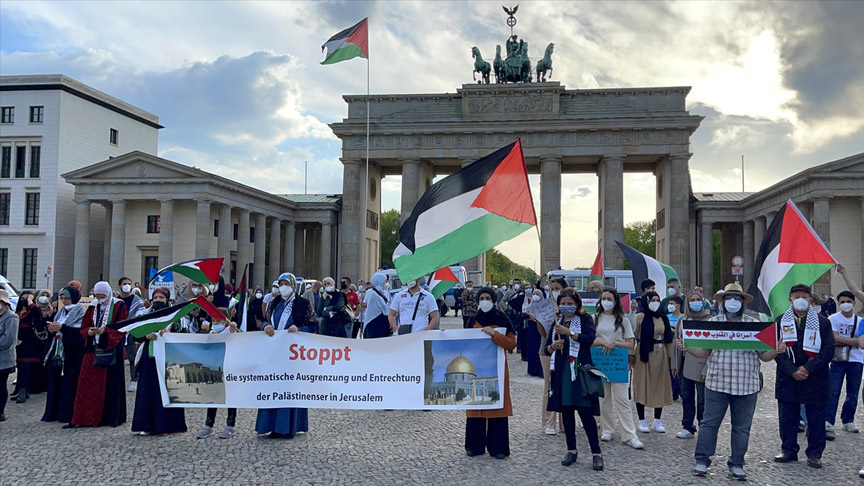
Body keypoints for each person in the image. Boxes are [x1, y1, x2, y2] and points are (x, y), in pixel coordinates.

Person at [682, 283, 783, 480]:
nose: (733, 302)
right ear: (723, 302)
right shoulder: (713, 323)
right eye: (729, 298)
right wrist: (689, 348)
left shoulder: (755, 326)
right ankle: (702, 460)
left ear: (743, 302)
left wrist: (776, 350)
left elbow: (764, 356)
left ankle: (737, 463)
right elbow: (704, 352)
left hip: (746, 385)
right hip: (717, 383)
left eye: (737, 299)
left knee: (741, 428)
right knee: (709, 424)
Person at [773, 283, 834, 469]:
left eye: (804, 296)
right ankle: (789, 449)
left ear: (810, 300)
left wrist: (808, 369)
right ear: (790, 299)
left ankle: (815, 453)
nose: (801, 300)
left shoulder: (823, 322)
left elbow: (828, 349)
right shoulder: (780, 321)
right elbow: (776, 350)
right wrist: (792, 370)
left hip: (815, 377)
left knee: (815, 417)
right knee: (787, 416)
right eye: (796, 296)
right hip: (788, 377)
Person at [543, 288, 603, 471]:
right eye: (563, 303)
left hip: (579, 372)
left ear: (577, 304)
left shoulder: (584, 319)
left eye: (570, 303)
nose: (566, 306)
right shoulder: (556, 322)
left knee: (586, 415)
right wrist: (553, 345)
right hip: (562, 373)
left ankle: (596, 453)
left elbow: (589, 339)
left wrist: (570, 333)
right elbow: (546, 348)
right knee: (566, 413)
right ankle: (571, 449)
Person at [257, 272, 317, 438]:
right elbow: (263, 320)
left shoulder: (303, 304)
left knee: (289, 388)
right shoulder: (274, 303)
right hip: (274, 353)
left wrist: (300, 329)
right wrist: (265, 326)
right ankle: (271, 425)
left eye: (286, 284)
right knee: (273, 387)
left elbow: (313, 325)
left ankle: (288, 426)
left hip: (293, 355)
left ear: (292, 285)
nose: (283, 287)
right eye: (280, 283)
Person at [465, 287, 517, 458]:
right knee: (476, 405)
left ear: (493, 300)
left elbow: (511, 344)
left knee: (497, 407)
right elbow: (462, 341)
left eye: (488, 298)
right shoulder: (472, 319)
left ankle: (498, 448)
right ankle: (474, 446)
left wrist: (494, 334)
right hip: (476, 369)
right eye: (482, 298)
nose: (484, 301)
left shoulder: (502, 318)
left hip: (497, 369)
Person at [69, 281, 128, 428]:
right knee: (86, 385)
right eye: (97, 296)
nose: (100, 299)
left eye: (102, 296)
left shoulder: (119, 305)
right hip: (92, 349)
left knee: (110, 386)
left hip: (111, 350)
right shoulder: (93, 306)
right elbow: (84, 326)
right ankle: (84, 417)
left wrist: (106, 332)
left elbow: (122, 327)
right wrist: (88, 332)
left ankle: (109, 418)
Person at [131, 288, 190, 436]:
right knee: (148, 390)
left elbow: (184, 334)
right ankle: (147, 425)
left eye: (161, 298)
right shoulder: (145, 314)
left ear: (167, 300)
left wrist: (171, 334)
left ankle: (168, 425)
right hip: (149, 357)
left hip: (169, 359)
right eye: (155, 297)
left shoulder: (176, 315)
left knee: (168, 391)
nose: (157, 300)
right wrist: (145, 336)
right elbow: (135, 334)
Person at [592, 287, 642, 449]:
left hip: (618, 362)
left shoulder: (623, 320)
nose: (606, 301)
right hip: (600, 360)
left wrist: (614, 343)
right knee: (604, 397)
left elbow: (630, 343)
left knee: (622, 398)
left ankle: (629, 434)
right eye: (603, 298)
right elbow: (589, 340)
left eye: (609, 299)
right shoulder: (594, 319)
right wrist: (603, 342)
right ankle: (607, 428)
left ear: (615, 302)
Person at [42, 287, 86, 423]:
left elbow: (80, 334)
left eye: (67, 298)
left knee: (69, 384)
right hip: (57, 351)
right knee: (55, 384)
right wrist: (52, 329)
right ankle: (52, 413)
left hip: (71, 355)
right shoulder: (60, 312)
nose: (64, 301)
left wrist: (63, 328)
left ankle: (66, 414)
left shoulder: (80, 312)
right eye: (62, 298)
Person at [632, 291, 673, 433]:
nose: (655, 302)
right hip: (644, 353)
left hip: (660, 353)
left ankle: (657, 419)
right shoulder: (640, 318)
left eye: (657, 299)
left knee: (660, 385)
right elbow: (631, 336)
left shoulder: (663, 318)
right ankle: (642, 419)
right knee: (641, 384)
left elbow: (668, 338)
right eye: (652, 300)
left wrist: (670, 358)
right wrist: (631, 355)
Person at [671, 290, 710, 439]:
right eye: (691, 300)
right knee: (686, 396)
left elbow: (712, 348)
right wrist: (675, 364)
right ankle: (687, 425)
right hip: (684, 362)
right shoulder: (682, 319)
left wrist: (707, 367)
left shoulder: (709, 320)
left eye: (697, 299)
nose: (694, 302)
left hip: (701, 364)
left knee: (702, 399)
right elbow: (677, 342)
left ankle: (703, 425)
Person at [825, 290, 862, 439]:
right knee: (833, 390)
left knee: (853, 392)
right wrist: (853, 341)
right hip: (837, 359)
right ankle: (828, 420)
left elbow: (861, 342)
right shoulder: (833, 318)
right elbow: (833, 338)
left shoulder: (859, 321)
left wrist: (842, 339)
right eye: (842, 302)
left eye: (848, 301)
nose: (845, 304)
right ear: (838, 303)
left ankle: (848, 419)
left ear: (854, 303)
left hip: (857, 359)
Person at [533, 277, 566, 435]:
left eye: (557, 288)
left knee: (565, 385)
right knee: (549, 386)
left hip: (566, 350)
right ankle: (548, 422)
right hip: (546, 350)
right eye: (551, 288)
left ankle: (565, 422)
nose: (554, 291)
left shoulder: (568, 306)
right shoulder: (544, 307)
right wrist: (538, 320)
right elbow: (543, 333)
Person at [12, 291, 45, 403]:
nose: (24, 300)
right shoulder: (17, 312)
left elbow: (37, 315)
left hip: (29, 342)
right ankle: (19, 389)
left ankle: (24, 391)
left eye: (27, 298)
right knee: (20, 367)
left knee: (26, 367)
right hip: (18, 342)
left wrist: (31, 302)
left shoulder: (33, 311)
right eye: (23, 298)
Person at [117, 276, 144, 393]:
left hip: (132, 330)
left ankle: (134, 380)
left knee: (132, 356)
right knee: (117, 357)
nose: (127, 286)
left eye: (129, 283)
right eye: (124, 283)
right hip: (118, 331)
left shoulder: (136, 300)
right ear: (119, 286)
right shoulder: (116, 300)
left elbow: (141, 313)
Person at [0, 290, 19, 422]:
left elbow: (8, 340)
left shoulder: (11, 317)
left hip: (4, 359)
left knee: (1, 385)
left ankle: (0, 411)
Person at [522, 288, 544, 377]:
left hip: (541, 330)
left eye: (537, 294)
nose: (535, 296)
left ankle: (541, 370)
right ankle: (533, 370)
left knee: (540, 348)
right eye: (534, 294)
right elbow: (522, 315)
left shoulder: (544, 306)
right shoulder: (530, 306)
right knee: (532, 349)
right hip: (531, 330)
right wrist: (528, 315)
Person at [362, 272, 391, 338]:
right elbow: (384, 309)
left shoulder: (380, 292)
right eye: (384, 281)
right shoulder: (373, 294)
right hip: (374, 323)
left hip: (380, 324)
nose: (386, 284)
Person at [666, 295, 684, 401]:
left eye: (672, 304)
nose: (670, 306)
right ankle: (673, 391)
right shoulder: (667, 317)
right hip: (669, 346)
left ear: (678, 306)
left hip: (679, 347)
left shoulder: (682, 317)